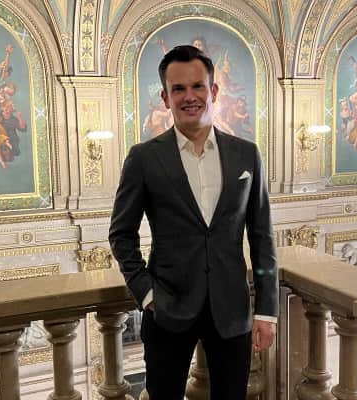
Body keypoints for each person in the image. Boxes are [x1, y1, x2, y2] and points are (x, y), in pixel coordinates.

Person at [109, 45, 279, 400]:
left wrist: (267, 310)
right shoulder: (143, 159)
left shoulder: (247, 154)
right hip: (167, 310)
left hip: (232, 311)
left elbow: (262, 236)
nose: (190, 97)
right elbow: (121, 235)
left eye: (198, 86)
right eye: (179, 89)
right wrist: (147, 293)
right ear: (165, 97)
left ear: (213, 90)